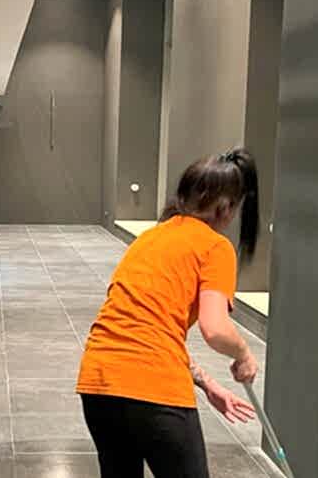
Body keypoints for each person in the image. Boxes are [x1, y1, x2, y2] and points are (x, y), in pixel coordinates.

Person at [76, 149, 262, 478]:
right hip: (154, 391)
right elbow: (215, 329)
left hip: (98, 383)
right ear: (226, 208)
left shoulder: (148, 239)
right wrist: (244, 355)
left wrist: (208, 384)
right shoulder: (215, 246)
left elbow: (144, 328)